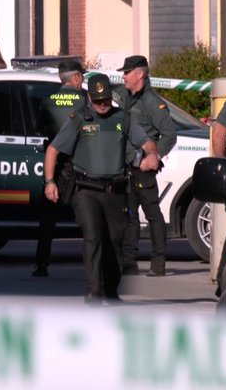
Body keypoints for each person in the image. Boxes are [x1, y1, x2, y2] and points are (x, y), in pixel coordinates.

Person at [43, 73, 159, 305]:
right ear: (89, 99)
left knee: (115, 241)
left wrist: (152, 155)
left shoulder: (123, 119)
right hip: (85, 189)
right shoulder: (79, 119)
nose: (102, 105)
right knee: (93, 237)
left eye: (105, 99)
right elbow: (53, 150)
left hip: (114, 191)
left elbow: (146, 142)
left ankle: (110, 290)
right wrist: (49, 182)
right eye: (97, 101)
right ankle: (94, 292)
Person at [115, 55, 176, 277]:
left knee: (152, 215)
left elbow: (169, 135)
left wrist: (155, 156)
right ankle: (129, 263)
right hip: (124, 166)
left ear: (140, 74)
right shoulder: (123, 96)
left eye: (127, 72)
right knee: (128, 216)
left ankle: (158, 263)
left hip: (142, 170)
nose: (124, 76)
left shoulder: (152, 103)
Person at [31, 59, 86, 277]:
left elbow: (40, 129)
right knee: (88, 218)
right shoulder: (85, 100)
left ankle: (41, 265)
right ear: (75, 77)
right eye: (82, 76)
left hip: (54, 165)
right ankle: (94, 266)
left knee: (47, 221)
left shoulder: (48, 100)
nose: (83, 80)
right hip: (81, 165)